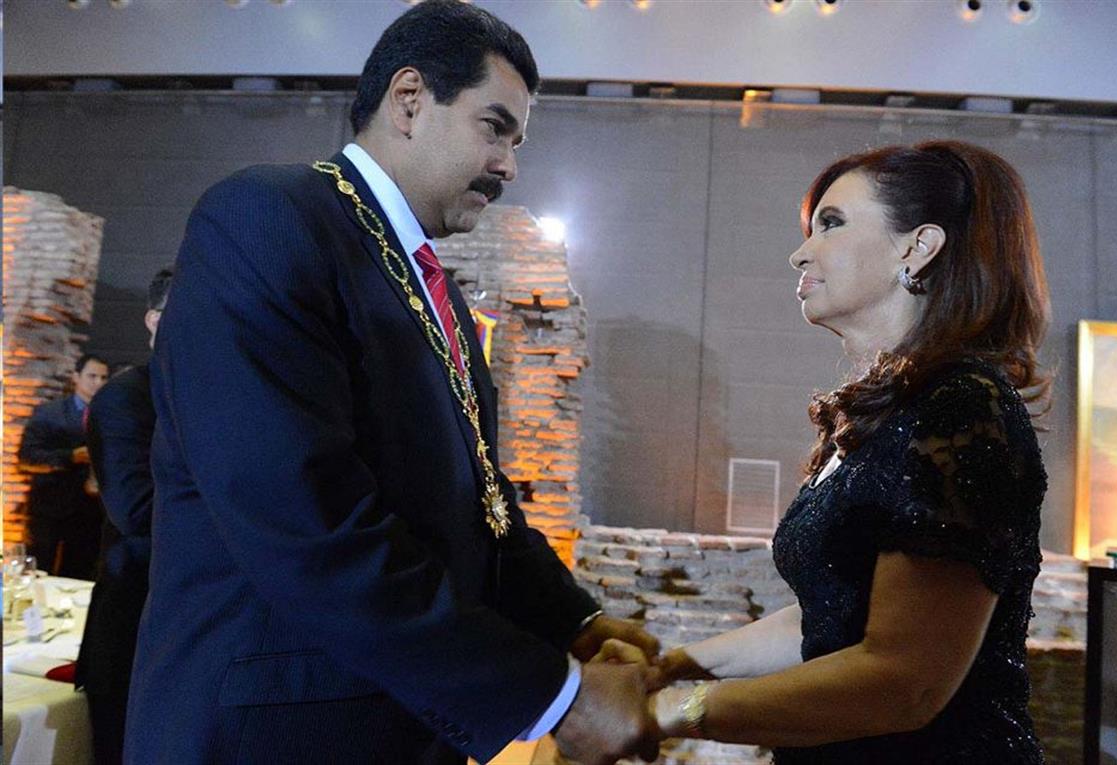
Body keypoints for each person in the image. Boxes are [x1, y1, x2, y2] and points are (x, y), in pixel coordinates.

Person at [126, 3, 659, 764]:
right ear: (409, 101)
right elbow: (305, 514)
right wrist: (555, 697)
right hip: (273, 734)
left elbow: (478, 502)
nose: (508, 167)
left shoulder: (433, 289)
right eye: (494, 128)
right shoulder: (266, 218)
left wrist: (572, 620)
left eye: (517, 143)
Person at [648, 141, 1051, 763]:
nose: (800, 253)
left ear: (918, 247)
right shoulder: (888, 412)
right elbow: (829, 617)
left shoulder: (962, 409)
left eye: (831, 224)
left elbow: (904, 681)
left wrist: (666, 712)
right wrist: (670, 666)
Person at [76, 266, 173, 765]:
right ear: (154, 320)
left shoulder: (214, 392)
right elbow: (136, 509)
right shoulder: (126, 397)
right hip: (133, 623)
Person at [18, 352, 110, 579]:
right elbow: (27, 457)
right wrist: (70, 457)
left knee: (79, 574)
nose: (98, 383)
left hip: (90, 512)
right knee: (39, 570)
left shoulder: (112, 415)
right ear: (76, 377)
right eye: (92, 376)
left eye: (103, 378)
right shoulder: (50, 413)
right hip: (49, 507)